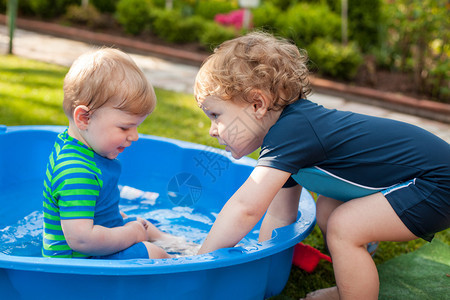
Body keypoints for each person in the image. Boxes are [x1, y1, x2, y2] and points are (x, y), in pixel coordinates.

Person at [194, 32, 450, 299]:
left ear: (258, 104)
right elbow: (280, 216)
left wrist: (198, 260)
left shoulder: (292, 132)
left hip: (435, 182)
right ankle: (352, 278)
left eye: (216, 115)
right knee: (327, 208)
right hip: (422, 176)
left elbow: (245, 209)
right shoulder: (286, 136)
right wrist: (265, 268)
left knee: (344, 225)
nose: (212, 130)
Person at [42, 48, 172, 259]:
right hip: (78, 265)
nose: (135, 136)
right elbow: (82, 240)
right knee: (153, 253)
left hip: (98, 241)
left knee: (143, 225)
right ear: (84, 118)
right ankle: (185, 267)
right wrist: (131, 234)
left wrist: (132, 227)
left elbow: (96, 207)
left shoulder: (84, 148)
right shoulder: (76, 171)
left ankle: (180, 245)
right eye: (124, 128)